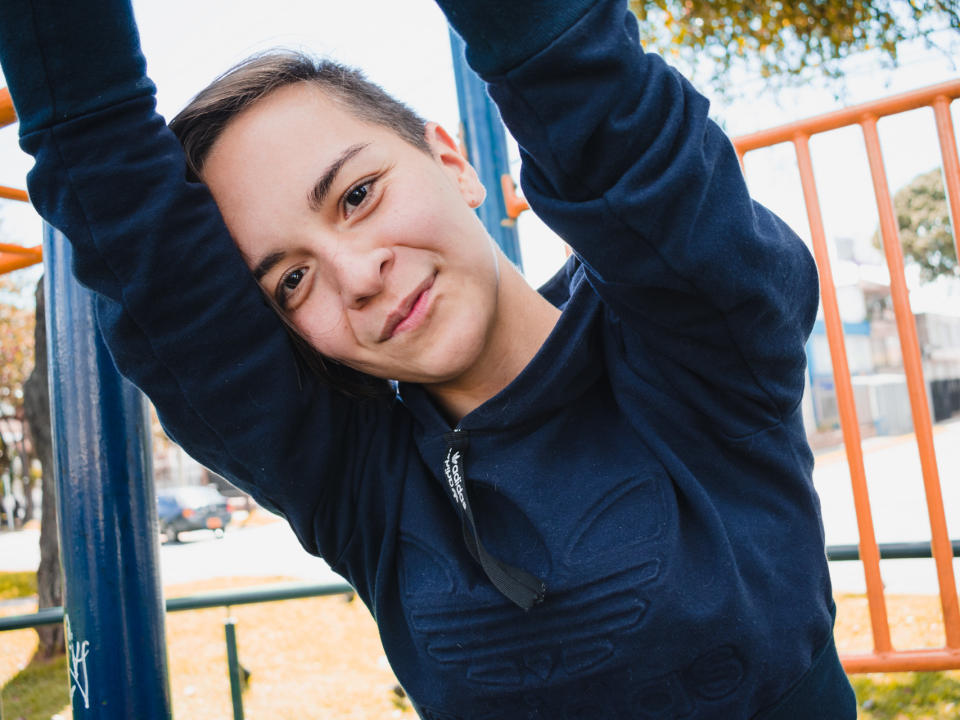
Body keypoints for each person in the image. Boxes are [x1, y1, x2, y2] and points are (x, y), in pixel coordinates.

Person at [0, 0, 857, 717]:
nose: (356, 275)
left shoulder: (698, 335)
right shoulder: (358, 483)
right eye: (292, 280)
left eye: (357, 195)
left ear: (452, 162)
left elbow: (582, 83)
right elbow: (107, 178)